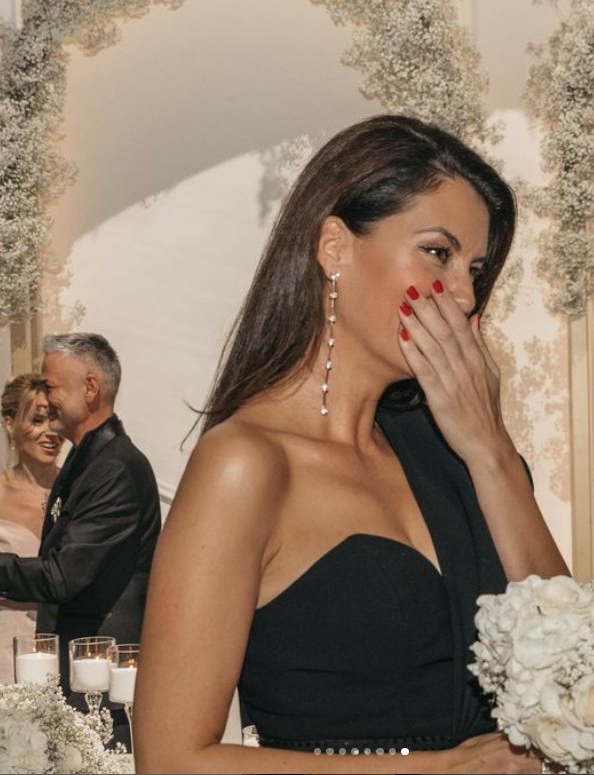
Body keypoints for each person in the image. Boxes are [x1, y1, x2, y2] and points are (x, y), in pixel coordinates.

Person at [134, 115, 570, 774]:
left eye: (475, 269)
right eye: (438, 252)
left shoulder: (458, 456)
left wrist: (492, 452)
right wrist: (442, 770)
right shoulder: (247, 464)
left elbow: (580, 673)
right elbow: (170, 760)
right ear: (335, 247)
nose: (461, 294)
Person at [0, 334, 161, 709]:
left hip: (102, 684)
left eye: (50, 387)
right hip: (76, 672)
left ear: (90, 388)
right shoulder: (86, 461)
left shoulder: (116, 469)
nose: (44, 399)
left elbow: (62, 575)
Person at [0, 374, 63, 683]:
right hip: (7, 644)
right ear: (10, 423)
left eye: (55, 419)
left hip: (66, 640)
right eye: (37, 420)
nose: (50, 432)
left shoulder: (79, 489)